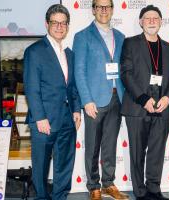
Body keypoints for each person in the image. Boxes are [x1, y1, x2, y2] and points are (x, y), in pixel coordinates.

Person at [120, 5, 169, 200]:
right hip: (138, 107)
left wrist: (167, 98)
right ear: (140, 22)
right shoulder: (130, 43)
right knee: (137, 152)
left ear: (161, 22)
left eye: (156, 18)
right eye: (148, 18)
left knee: (157, 151)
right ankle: (140, 192)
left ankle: (154, 190)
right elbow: (126, 74)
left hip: (162, 108)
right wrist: (144, 99)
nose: (152, 21)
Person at [23, 4, 81, 200]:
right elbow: (32, 88)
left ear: (67, 26)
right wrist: (40, 117)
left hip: (67, 120)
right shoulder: (35, 51)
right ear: (47, 24)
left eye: (63, 23)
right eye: (55, 22)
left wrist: (76, 110)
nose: (59, 26)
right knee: (40, 166)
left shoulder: (70, 54)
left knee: (64, 164)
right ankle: (41, 197)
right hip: (44, 120)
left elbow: (72, 87)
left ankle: (60, 196)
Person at [72, 0, 127, 199]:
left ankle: (108, 183)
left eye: (108, 6)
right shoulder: (82, 36)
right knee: (93, 146)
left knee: (110, 144)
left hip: (117, 98)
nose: (104, 10)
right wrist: (86, 100)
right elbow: (79, 71)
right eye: (99, 6)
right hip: (94, 100)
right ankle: (93, 185)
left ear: (112, 10)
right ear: (94, 9)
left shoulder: (121, 37)